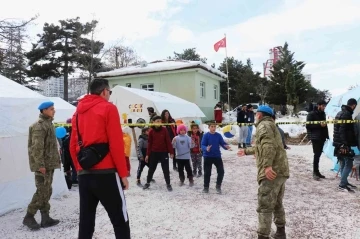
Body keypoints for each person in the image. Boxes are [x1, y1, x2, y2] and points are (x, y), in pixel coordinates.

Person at [69, 78, 130, 239]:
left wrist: (79, 169)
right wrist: (123, 174)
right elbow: (116, 143)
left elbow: (72, 145)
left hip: (84, 174)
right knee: (120, 220)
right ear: (104, 91)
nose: (109, 95)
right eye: (109, 92)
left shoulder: (77, 113)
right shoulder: (108, 108)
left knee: (86, 221)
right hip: (107, 173)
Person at [238, 105, 289, 239]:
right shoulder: (271, 126)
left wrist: (267, 166)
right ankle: (280, 232)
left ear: (259, 115)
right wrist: (246, 151)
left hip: (272, 171)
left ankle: (263, 236)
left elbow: (268, 145)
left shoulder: (263, 126)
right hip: (281, 170)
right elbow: (262, 146)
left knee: (265, 204)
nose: (255, 116)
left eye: (256, 114)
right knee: (277, 203)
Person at [23, 101, 61, 230]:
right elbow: (37, 148)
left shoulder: (48, 124)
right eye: (51, 109)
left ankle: (45, 218)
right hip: (43, 165)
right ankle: (29, 216)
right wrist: (40, 165)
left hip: (49, 164)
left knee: (47, 191)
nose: (54, 111)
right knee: (42, 191)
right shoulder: (39, 126)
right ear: (44, 111)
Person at [143, 116, 174, 191]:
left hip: (163, 152)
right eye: (157, 121)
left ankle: (168, 184)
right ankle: (147, 182)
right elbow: (150, 143)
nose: (159, 122)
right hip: (154, 153)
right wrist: (147, 154)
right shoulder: (151, 131)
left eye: (160, 121)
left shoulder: (164, 130)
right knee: (151, 168)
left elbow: (168, 141)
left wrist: (171, 152)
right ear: (153, 122)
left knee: (165, 169)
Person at [333, 98, 358, 193]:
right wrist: (344, 144)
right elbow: (342, 130)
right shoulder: (346, 114)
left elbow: (337, 130)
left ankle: (344, 182)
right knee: (349, 163)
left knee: (343, 162)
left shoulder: (339, 113)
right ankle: (342, 184)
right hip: (343, 143)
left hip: (338, 142)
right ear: (354, 105)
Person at [201, 122, 231, 194]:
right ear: (209, 127)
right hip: (208, 157)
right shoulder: (206, 136)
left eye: (214, 126)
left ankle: (218, 186)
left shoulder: (218, 135)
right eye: (212, 126)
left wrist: (226, 146)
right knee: (207, 172)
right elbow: (202, 145)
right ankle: (206, 187)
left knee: (221, 171)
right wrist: (206, 148)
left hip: (217, 156)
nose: (213, 128)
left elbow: (222, 143)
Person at [306, 100, 329, 180]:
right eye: (323, 106)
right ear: (318, 105)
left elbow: (324, 125)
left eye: (324, 106)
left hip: (322, 137)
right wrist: (320, 125)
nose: (324, 107)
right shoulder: (311, 114)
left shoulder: (323, 114)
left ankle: (317, 171)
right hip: (315, 137)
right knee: (316, 155)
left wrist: (327, 135)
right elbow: (308, 125)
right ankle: (315, 172)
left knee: (318, 155)